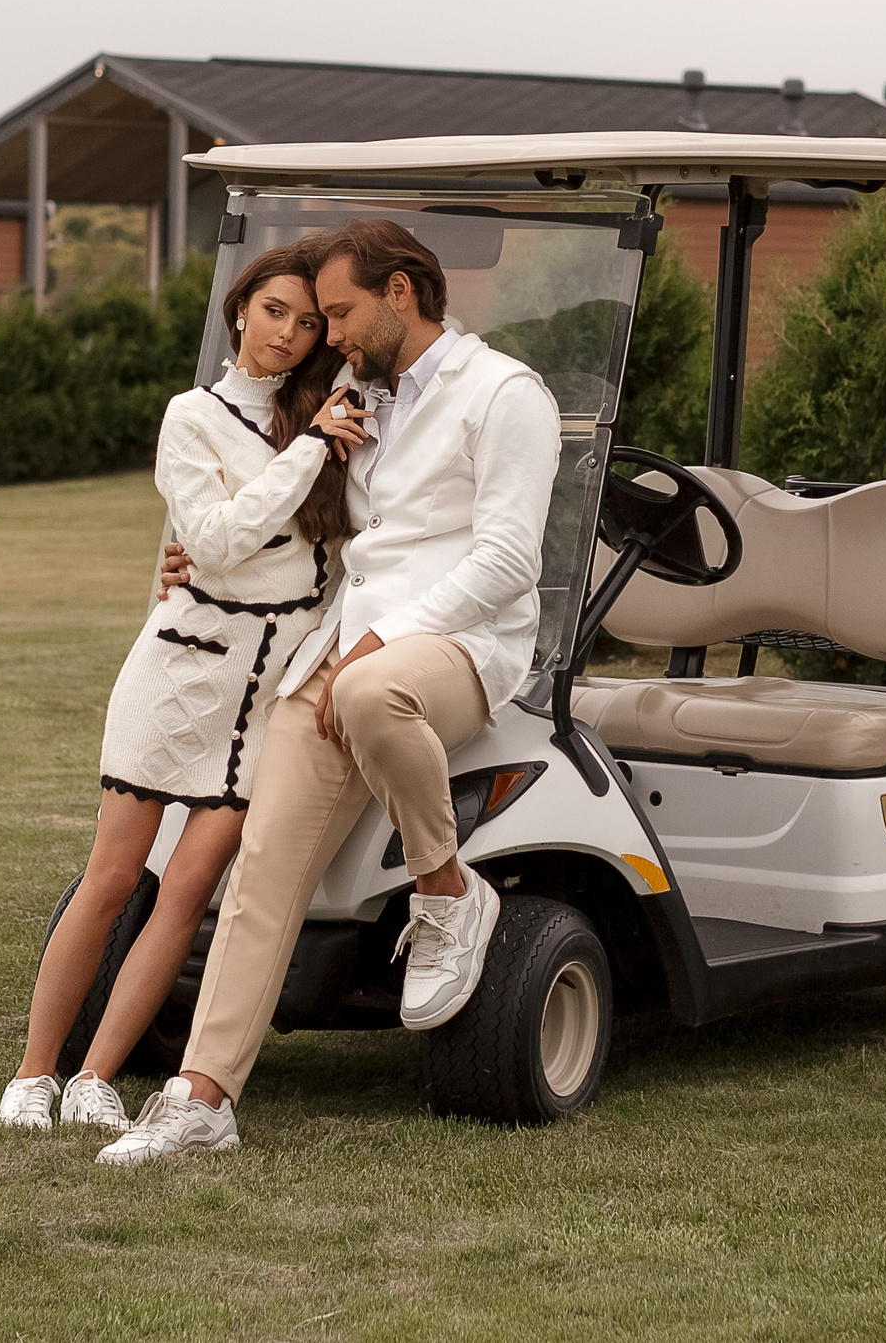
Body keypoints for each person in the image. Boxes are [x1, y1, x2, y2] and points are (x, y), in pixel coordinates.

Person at [96, 217, 561, 1166]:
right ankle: (203, 1095)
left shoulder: (506, 393)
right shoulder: (360, 396)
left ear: (401, 292)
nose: (328, 331)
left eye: (341, 311)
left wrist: (386, 637)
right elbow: (328, 531)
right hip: (345, 647)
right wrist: (201, 563)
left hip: (463, 646)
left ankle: (447, 891)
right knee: (263, 861)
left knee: (370, 694)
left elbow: (511, 560)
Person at [0, 242, 355, 1136]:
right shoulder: (192, 416)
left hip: (266, 686)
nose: (289, 332)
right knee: (116, 875)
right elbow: (221, 540)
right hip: (180, 670)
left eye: (309, 322)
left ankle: (98, 1077)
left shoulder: (329, 417)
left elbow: (340, 555)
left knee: (193, 885)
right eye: (275, 310)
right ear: (240, 309)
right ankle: (33, 1072)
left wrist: (317, 440)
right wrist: (310, 450)